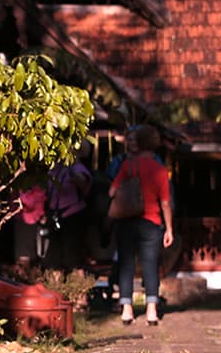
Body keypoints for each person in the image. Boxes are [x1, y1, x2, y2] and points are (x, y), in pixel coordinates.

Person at [109, 124, 174, 325]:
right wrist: (169, 228)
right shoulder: (160, 170)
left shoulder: (128, 166)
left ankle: (127, 309)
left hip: (127, 221)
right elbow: (165, 202)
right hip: (152, 222)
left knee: (126, 266)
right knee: (150, 266)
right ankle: (151, 310)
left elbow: (112, 192)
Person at [45, 150, 95, 270]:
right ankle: (54, 285)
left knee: (73, 258)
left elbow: (83, 182)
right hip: (55, 215)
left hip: (73, 215)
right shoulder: (54, 168)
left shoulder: (76, 167)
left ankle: (78, 285)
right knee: (53, 259)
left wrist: (73, 172)